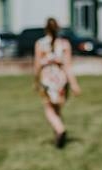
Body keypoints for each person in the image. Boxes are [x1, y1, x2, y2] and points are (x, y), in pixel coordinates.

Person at [34, 17, 81, 148]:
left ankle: (60, 130)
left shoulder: (40, 43)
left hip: (47, 79)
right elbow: (68, 66)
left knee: (48, 108)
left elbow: (37, 65)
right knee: (57, 108)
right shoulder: (65, 44)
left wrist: (36, 80)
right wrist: (74, 84)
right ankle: (58, 137)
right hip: (61, 79)